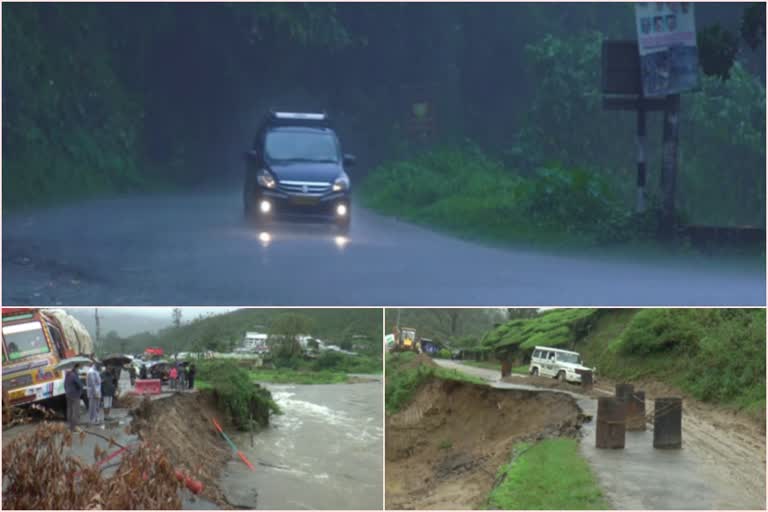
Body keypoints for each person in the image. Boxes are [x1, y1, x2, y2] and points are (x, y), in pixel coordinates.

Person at [64, 363, 83, 431]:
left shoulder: (67, 375)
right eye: (79, 368)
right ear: (76, 368)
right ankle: (74, 427)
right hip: (75, 395)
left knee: (69, 410)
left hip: (68, 394)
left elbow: (65, 384)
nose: (79, 370)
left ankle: (70, 426)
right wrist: (81, 387)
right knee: (75, 411)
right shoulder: (74, 375)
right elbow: (80, 385)